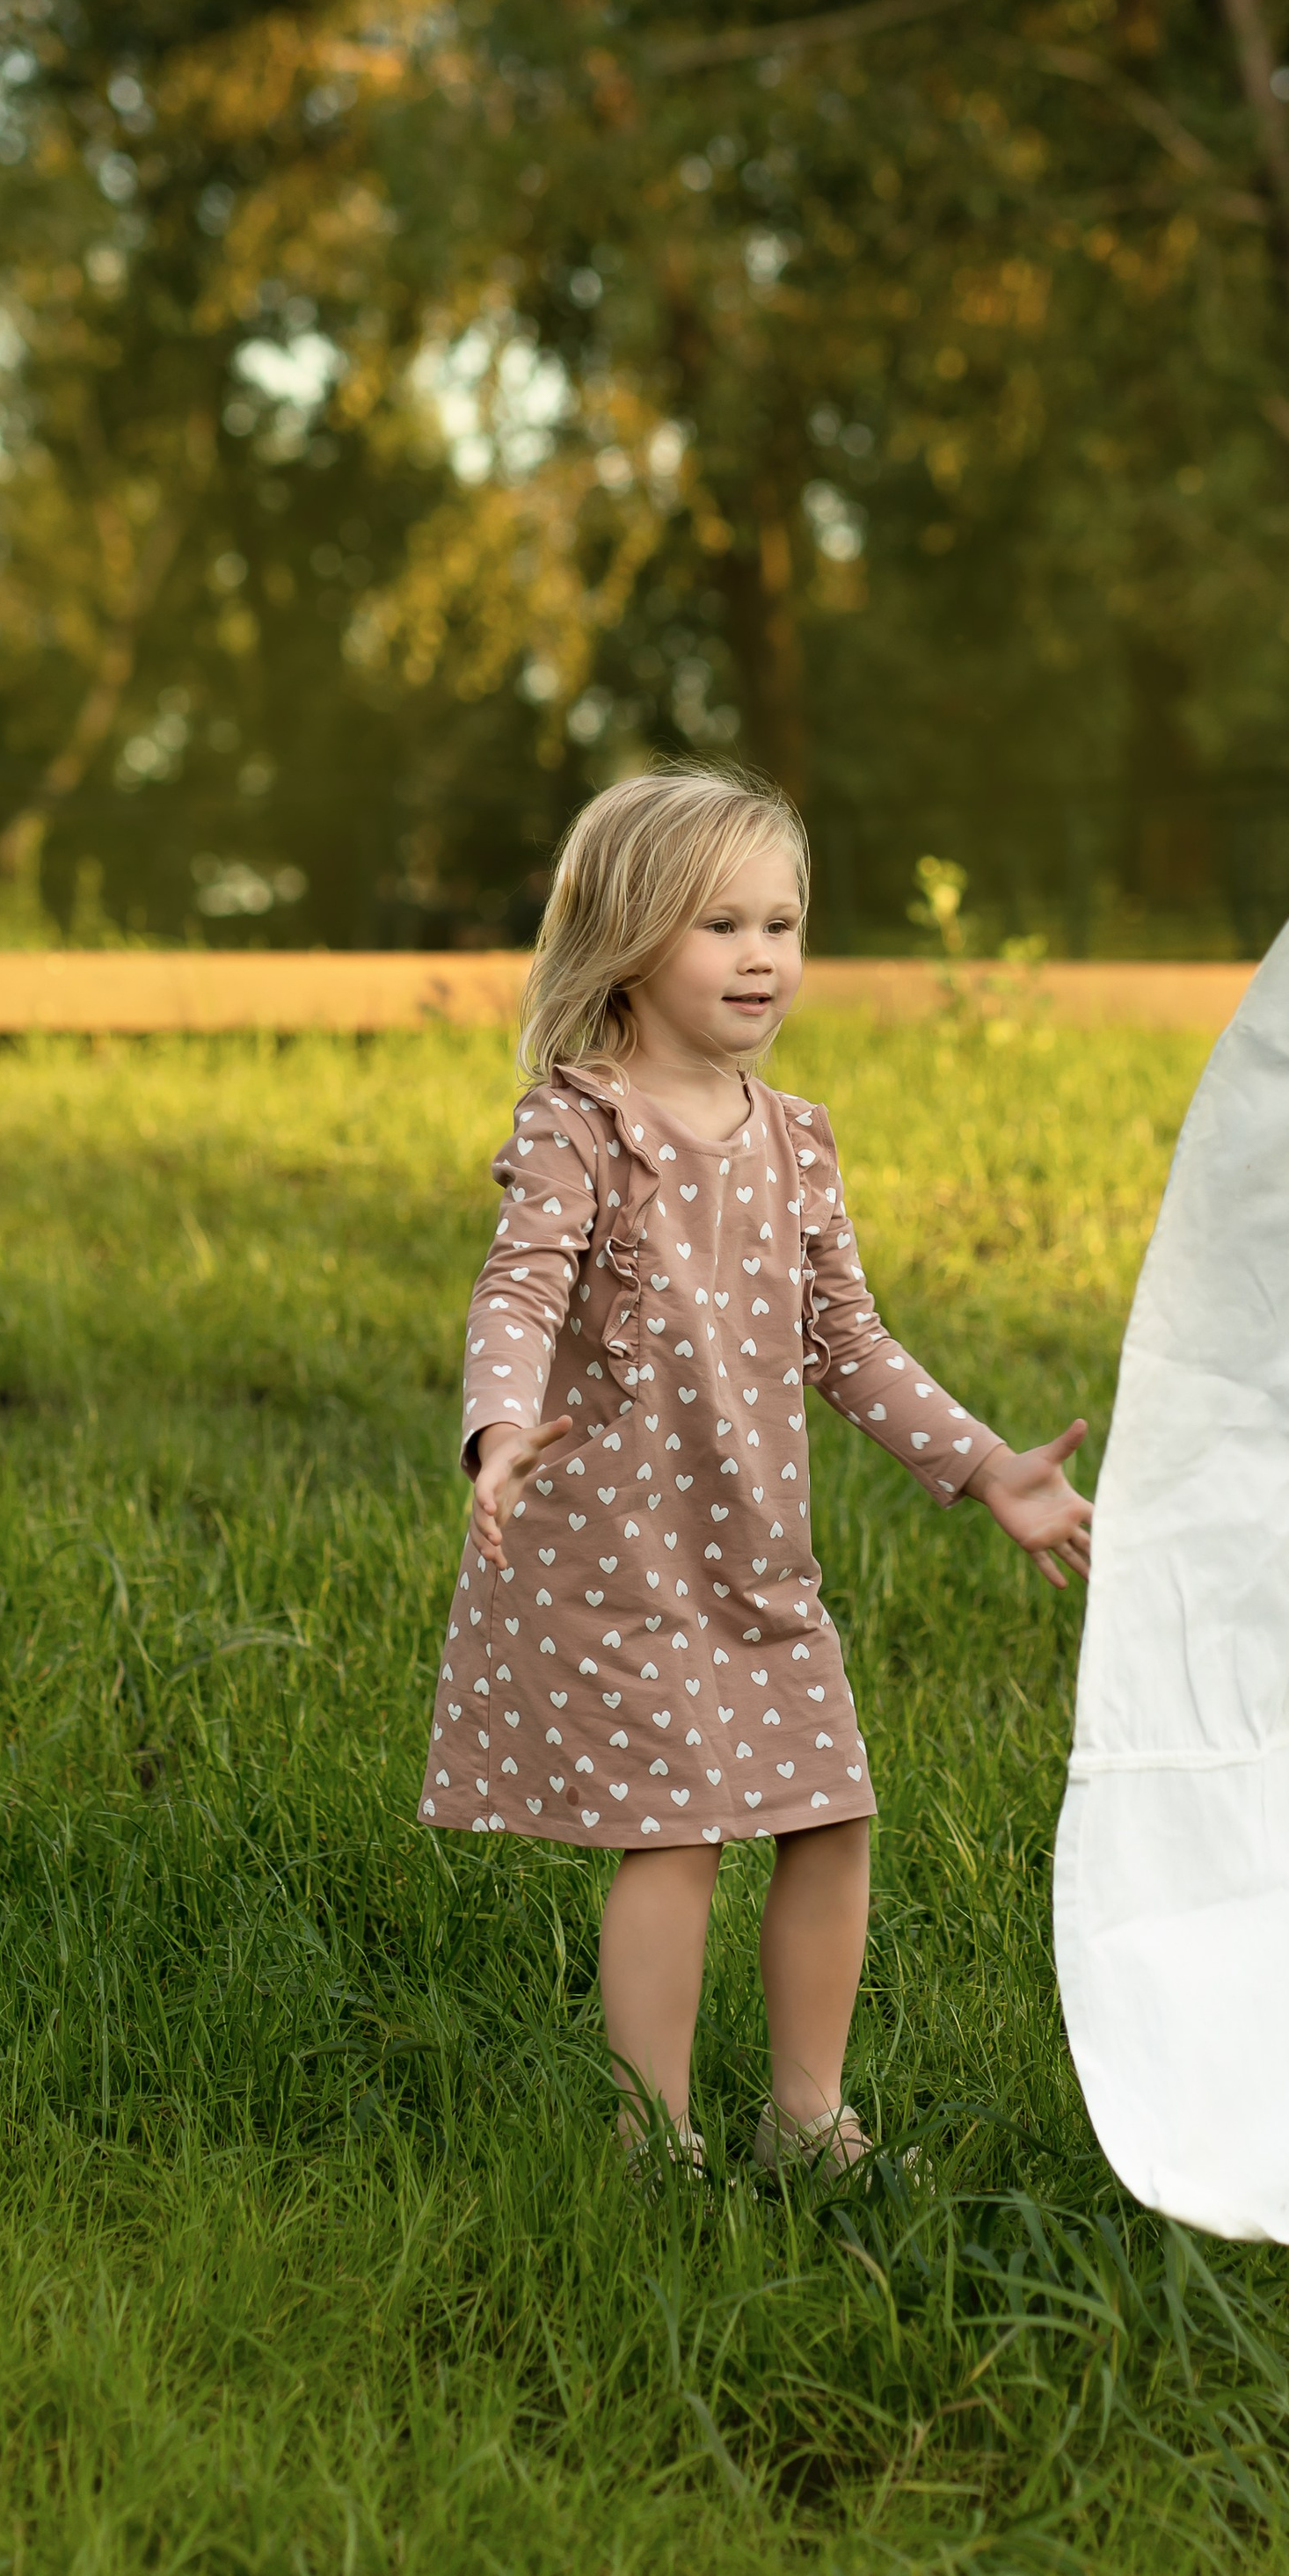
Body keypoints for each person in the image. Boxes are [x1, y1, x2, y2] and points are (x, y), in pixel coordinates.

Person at [419, 764, 1094, 2178]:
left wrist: (985, 1471)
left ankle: (805, 2120)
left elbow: (848, 1340)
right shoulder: (581, 1123)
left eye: (782, 925)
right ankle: (651, 2135)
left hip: (754, 1553)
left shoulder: (795, 1139)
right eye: (719, 924)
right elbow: (518, 1293)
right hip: (618, 1551)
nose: (762, 957)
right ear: (629, 939)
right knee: (676, 1839)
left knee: (827, 1812)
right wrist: (495, 1428)